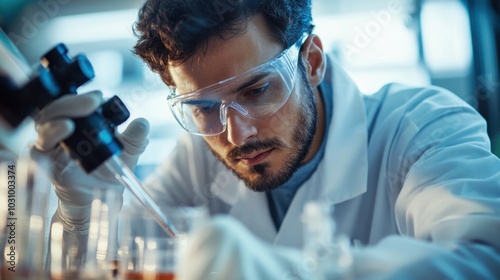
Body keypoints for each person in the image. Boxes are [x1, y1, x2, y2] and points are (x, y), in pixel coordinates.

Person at [31, 0, 500, 279]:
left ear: (311, 61)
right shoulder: (198, 160)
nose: (237, 133)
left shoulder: (421, 128)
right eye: (203, 108)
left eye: (256, 90)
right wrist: (82, 218)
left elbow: (484, 258)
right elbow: (115, 265)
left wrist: (291, 272)